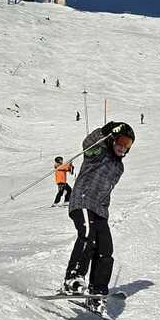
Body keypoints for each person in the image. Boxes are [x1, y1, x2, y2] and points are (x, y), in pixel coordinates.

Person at [63, 121, 135, 303]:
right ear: (113, 140)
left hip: (100, 210)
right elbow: (88, 143)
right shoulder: (98, 153)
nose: (123, 147)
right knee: (87, 234)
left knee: (105, 249)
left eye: (127, 144)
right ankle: (73, 278)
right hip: (83, 200)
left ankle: (97, 291)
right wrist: (105, 131)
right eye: (121, 141)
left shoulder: (119, 167)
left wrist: (104, 210)